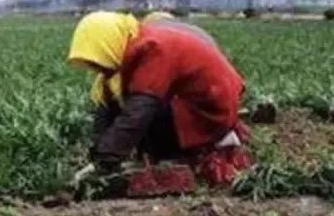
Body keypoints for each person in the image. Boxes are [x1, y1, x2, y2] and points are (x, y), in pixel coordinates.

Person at [67, 12, 250, 192]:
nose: (98, 69)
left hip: (209, 109)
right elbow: (108, 108)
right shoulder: (134, 49)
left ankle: (175, 158)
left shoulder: (153, 48)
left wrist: (107, 157)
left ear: (108, 45)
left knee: (145, 113)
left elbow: (139, 111)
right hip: (192, 100)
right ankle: (161, 155)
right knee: (136, 110)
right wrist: (99, 151)